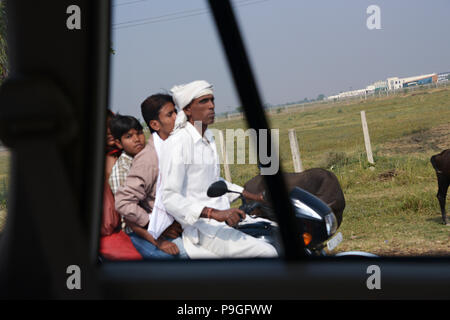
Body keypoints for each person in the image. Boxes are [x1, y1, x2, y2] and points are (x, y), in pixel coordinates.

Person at [160, 80, 278, 258]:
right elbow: (170, 197)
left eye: (212, 100)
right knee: (267, 252)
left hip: (225, 220)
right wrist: (214, 214)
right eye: (204, 101)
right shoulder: (178, 143)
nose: (211, 106)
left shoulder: (207, 137)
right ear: (187, 110)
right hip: (203, 229)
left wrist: (257, 197)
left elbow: (214, 183)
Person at [115, 94, 188, 259]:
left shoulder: (177, 146)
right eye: (170, 114)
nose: (177, 118)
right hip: (162, 231)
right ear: (155, 124)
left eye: (176, 112)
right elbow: (124, 203)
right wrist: (155, 224)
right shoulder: (148, 158)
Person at [99, 110, 142, 261]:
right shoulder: (107, 160)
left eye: (111, 125)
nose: (109, 131)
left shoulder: (130, 154)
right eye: (103, 127)